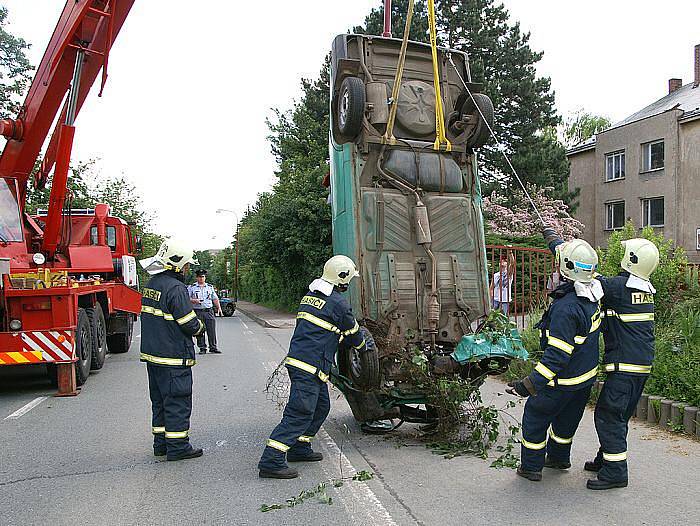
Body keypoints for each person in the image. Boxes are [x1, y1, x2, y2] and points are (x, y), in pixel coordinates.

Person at [258, 255, 367, 479]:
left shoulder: (311, 296)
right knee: (300, 412)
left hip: (306, 363)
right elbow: (354, 336)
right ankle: (271, 460)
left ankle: (299, 447)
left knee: (320, 407)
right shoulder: (338, 303)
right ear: (341, 279)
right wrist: (366, 348)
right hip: (309, 365)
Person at [507, 231, 602, 482]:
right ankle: (559, 458)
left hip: (560, 382)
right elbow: (571, 260)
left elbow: (557, 356)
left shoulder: (565, 309)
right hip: (582, 382)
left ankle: (531, 467)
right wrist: (553, 238)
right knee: (566, 422)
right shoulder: (593, 293)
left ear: (566, 270)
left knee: (535, 418)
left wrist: (529, 385)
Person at [583, 238, 659, 490]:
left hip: (625, 367)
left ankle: (615, 471)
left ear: (632, 259)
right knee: (619, 414)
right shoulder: (643, 289)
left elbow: (586, 275)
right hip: (639, 366)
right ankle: (606, 459)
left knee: (608, 415)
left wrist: (560, 246)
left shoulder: (618, 287)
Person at [139, 240, 205, 461]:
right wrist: (201, 328)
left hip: (153, 356)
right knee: (177, 401)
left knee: (159, 402)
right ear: (176, 265)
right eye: (186, 265)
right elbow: (189, 323)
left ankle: (161, 444)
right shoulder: (176, 288)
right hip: (173, 357)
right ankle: (178, 447)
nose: (188, 270)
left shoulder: (152, 283)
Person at [188, 269, 223, 354]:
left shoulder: (210, 287)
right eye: (199, 277)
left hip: (208, 311)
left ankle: (213, 347)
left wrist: (219, 308)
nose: (201, 278)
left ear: (205, 277)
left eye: (203, 277)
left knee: (211, 330)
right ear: (197, 278)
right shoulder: (192, 287)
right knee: (200, 330)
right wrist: (194, 301)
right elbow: (186, 298)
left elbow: (214, 298)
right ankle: (202, 348)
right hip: (197, 311)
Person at [489, 251, 515, 315]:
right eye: (501, 261)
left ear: (507, 264)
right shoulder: (495, 275)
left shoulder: (509, 274)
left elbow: (513, 264)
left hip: (505, 301)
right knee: (492, 318)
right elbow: (491, 288)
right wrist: (491, 298)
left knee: (503, 318)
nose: (502, 262)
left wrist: (510, 253)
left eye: (504, 261)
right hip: (495, 300)